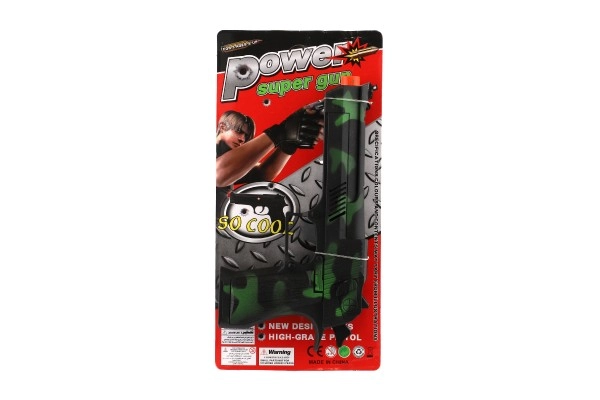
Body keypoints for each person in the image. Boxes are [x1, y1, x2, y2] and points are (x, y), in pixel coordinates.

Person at [216, 105, 323, 215]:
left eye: (246, 136)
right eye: (239, 131)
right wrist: (280, 131)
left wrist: (289, 144)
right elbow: (218, 175)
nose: (242, 139)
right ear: (222, 127)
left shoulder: (229, 161)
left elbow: (261, 174)